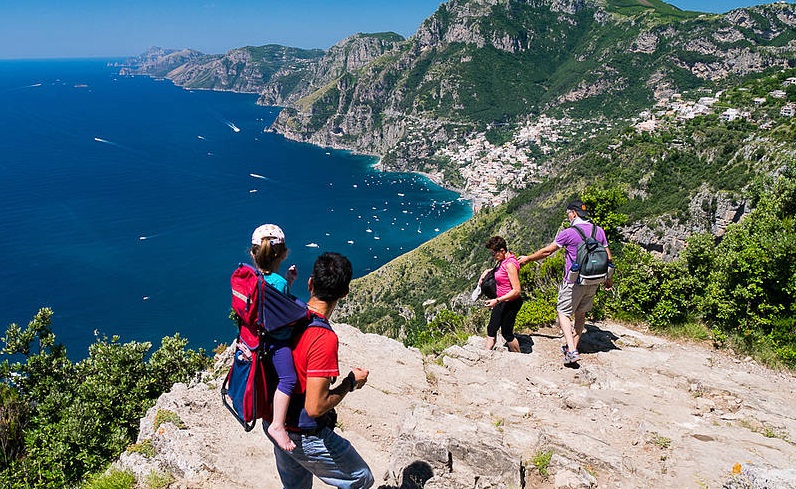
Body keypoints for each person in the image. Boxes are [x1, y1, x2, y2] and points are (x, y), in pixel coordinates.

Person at [267, 252, 374, 489]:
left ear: (310, 283)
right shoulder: (323, 339)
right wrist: (350, 383)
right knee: (361, 477)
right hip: (302, 432)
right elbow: (315, 407)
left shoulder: (289, 314)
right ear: (344, 293)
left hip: (274, 419)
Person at [518, 200, 613, 365]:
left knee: (563, 313)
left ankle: (572, 350)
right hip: (594, 280)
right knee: (581, 314)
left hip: (574, 281)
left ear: (574, 213)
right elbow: (608, 258)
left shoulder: (568, 232)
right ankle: (571, 348)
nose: (568, 216)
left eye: (568, 213)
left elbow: (547, 251)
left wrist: (528, 258)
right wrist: (608, 279)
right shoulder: (599, 231)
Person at [250, 223, 299, 452]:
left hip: (255, 338)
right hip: (276, 341)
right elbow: (286, 308)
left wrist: (287, 281)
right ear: (283, 254)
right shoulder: (279, 283)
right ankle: (278, 424)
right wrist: (287, 282)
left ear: (254, 254)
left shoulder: (251, 278)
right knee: (288, 379)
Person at [480, 236, 522, 353]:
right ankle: (486, 354)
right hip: (500, 301)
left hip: (511, 302)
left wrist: (497, 300)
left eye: (494, 254)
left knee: (507, 333)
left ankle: (519, 356)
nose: (493, 257)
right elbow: (501, 271)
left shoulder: (510, 265)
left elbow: (517, 291)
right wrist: (488, 271)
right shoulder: (503, 260)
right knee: (491, 328)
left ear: (502, 250)